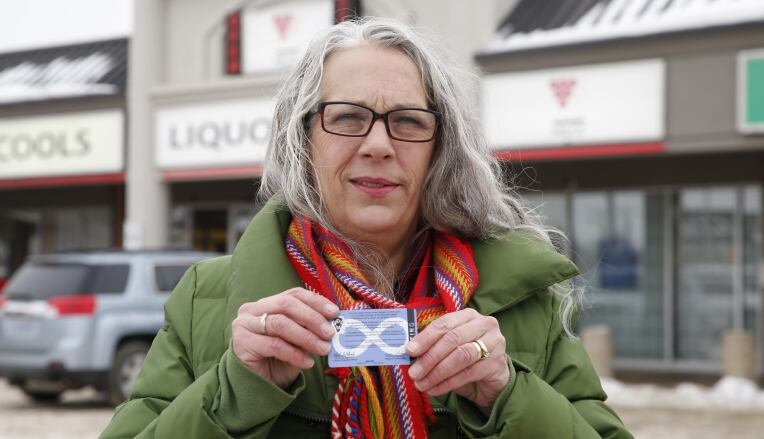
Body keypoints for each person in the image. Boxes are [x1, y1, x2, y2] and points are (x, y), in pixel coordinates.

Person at [101, 17, 633, 439]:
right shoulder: (205, 303)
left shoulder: (525, 309)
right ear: (303, 139)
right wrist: (237, 389)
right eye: (348, 117)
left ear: (439, 149)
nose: (378, 145)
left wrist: (506, 394)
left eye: (408, 121)